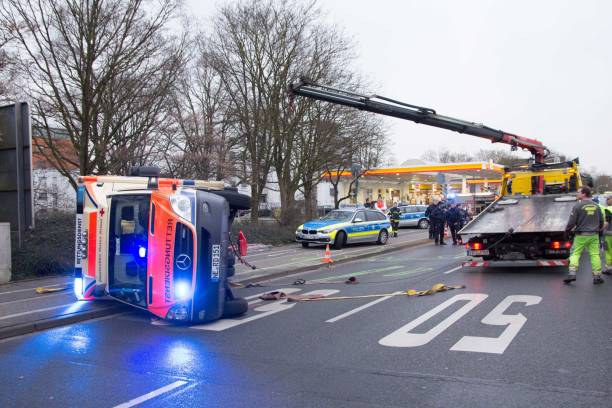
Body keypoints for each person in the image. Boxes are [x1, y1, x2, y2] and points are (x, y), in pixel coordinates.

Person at [563, 186, 604, 284]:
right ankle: (597, 276)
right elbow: (601, 221)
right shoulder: (596, 206)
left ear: (584, 194)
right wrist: (598, 230)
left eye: (578, 192)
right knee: (595, 255)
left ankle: (572, 274)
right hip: (594, 235)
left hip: (581, 236)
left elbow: (572, 222)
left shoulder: (577, 206)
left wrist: (567, 231)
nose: (577, 194)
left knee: (575, 253)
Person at [602, 196, 612, 275]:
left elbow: (607, 222)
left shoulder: (608, 209)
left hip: (609, 234)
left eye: (607, 199)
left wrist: (600, 229)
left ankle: (609, 269)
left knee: (608, 251)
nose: (606, 201)